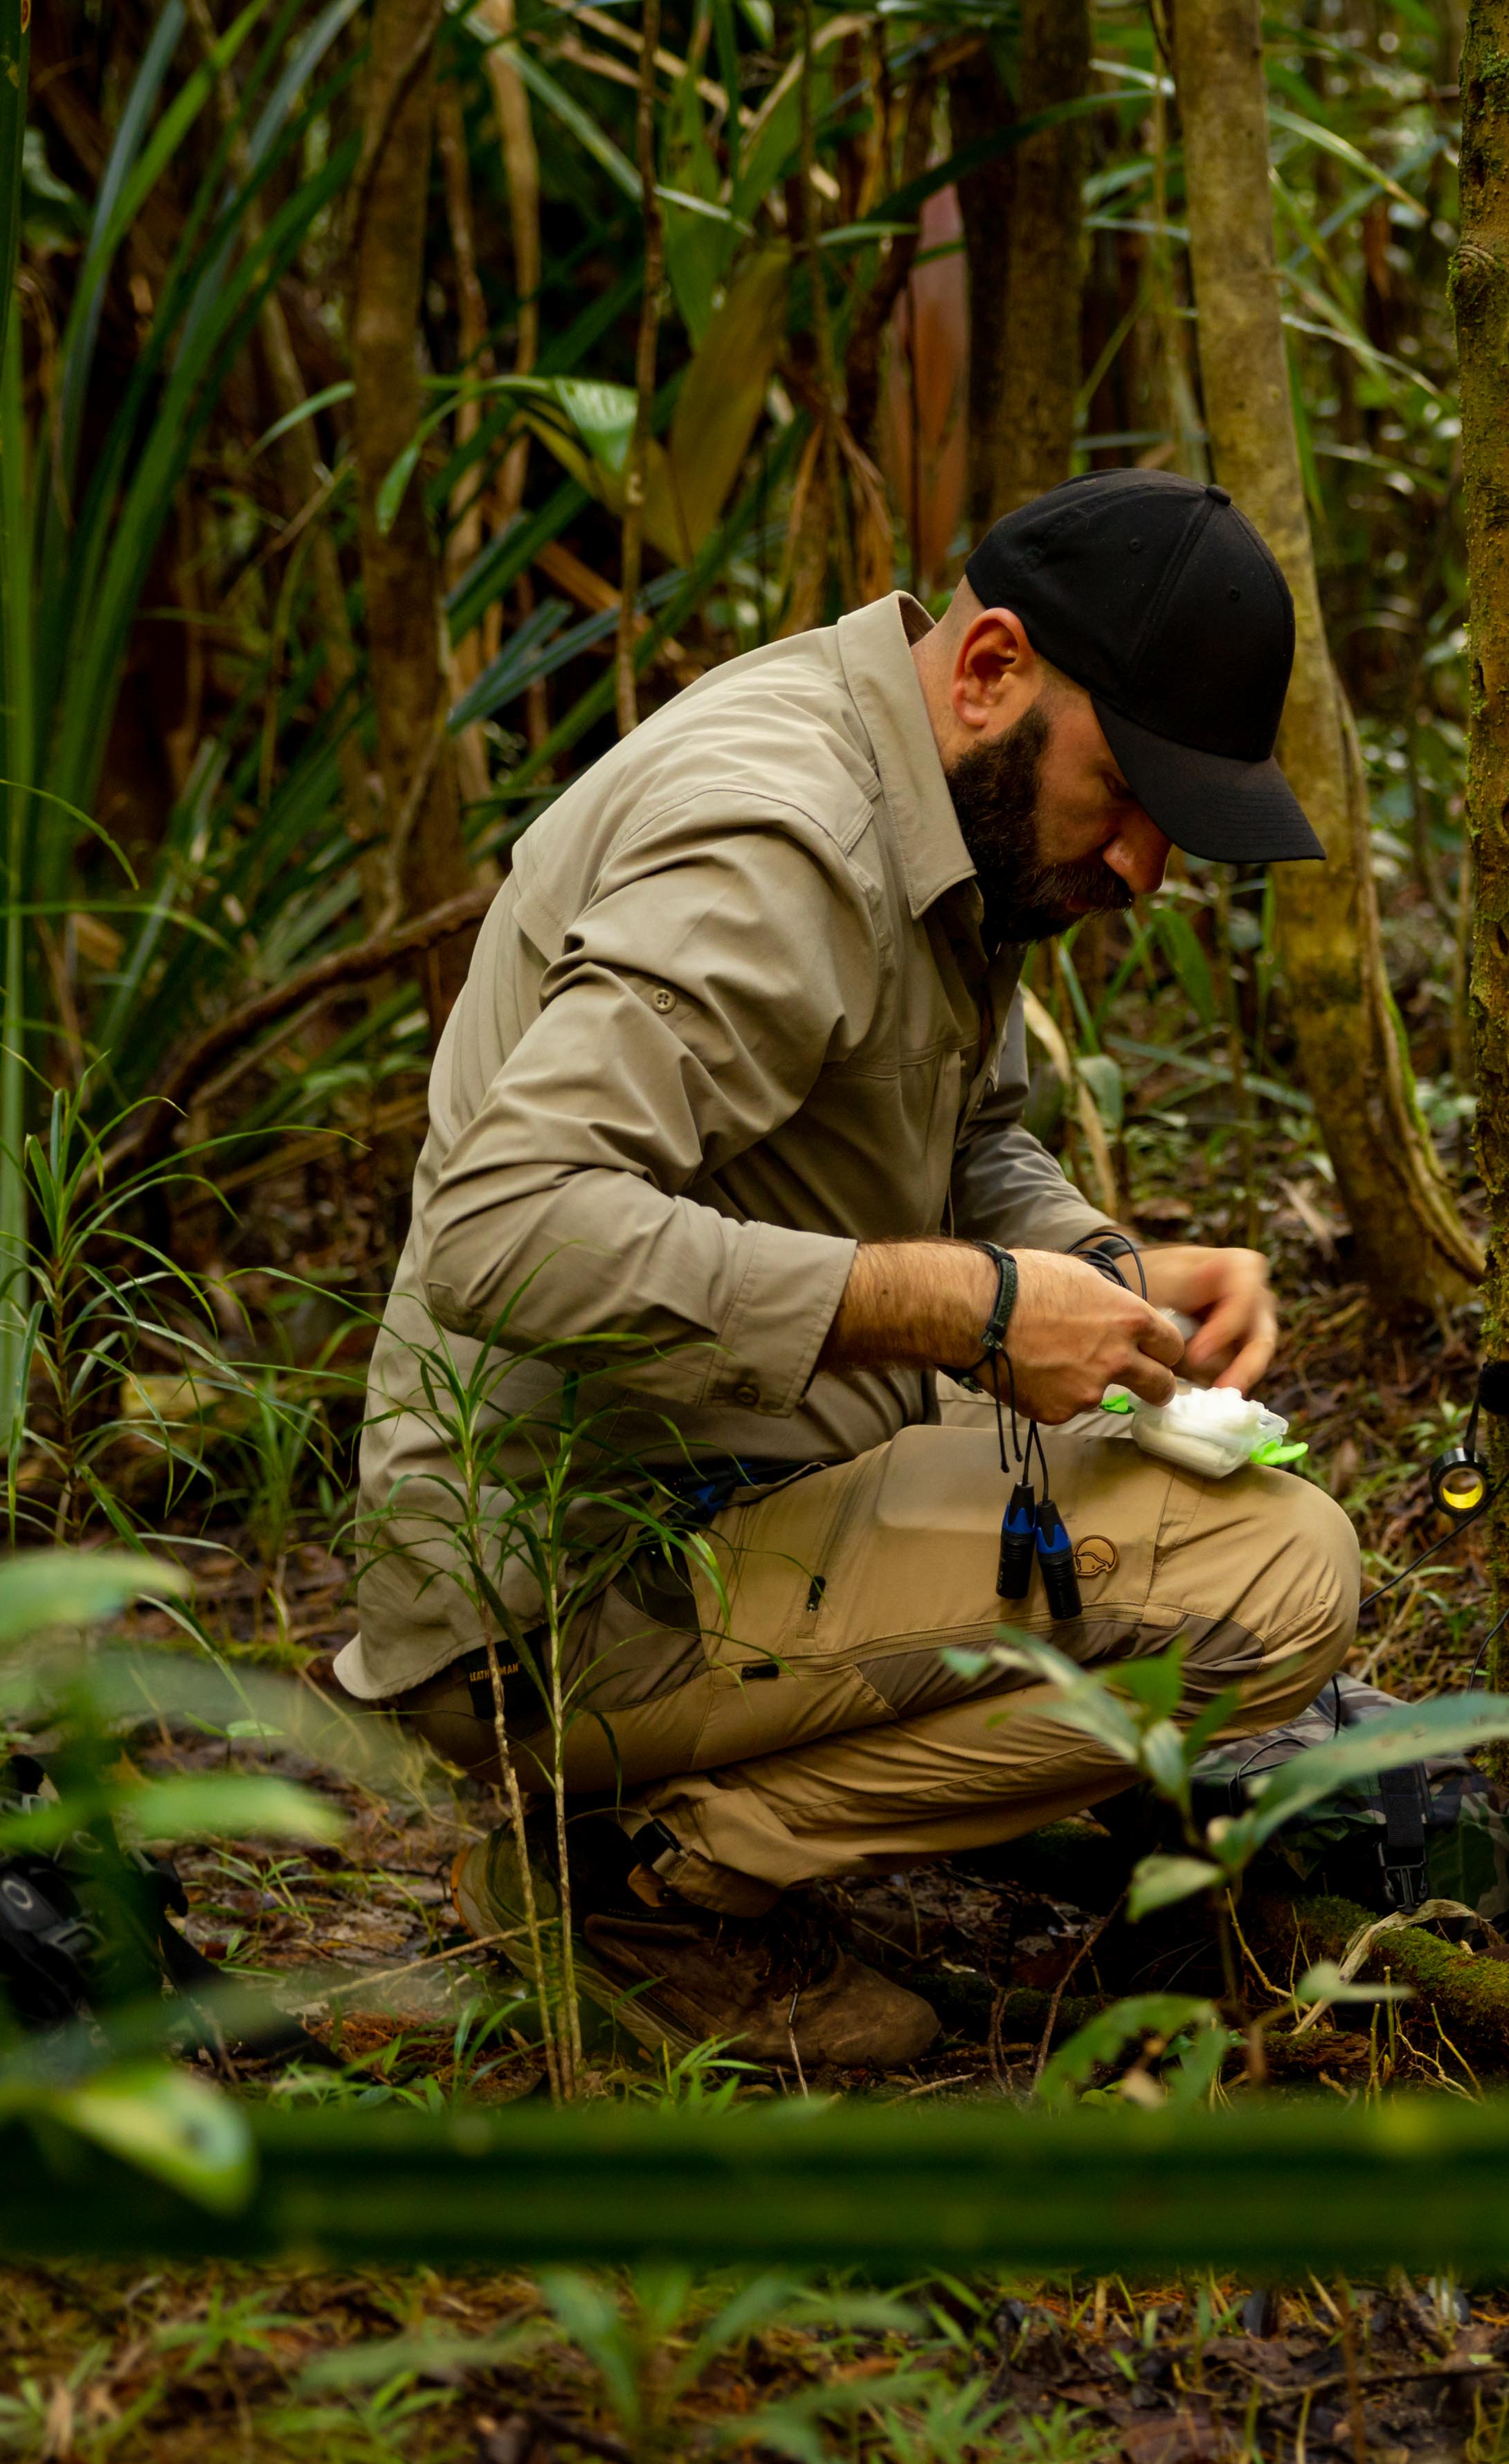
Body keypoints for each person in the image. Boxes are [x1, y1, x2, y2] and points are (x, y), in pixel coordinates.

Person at [332, 473, 1365, 2072]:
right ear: (992, 669)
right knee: (1272, 1571)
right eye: (1136, 791)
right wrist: (975, 1309)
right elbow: (505, 1223)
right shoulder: (781, 842)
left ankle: (690, 1825)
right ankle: (644, 1892)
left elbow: (966, 1150)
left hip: (730, 1484)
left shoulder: (943, 800)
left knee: (1184, 1505)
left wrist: (1104, 1275)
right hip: (564, 1587)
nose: (1148, 870)